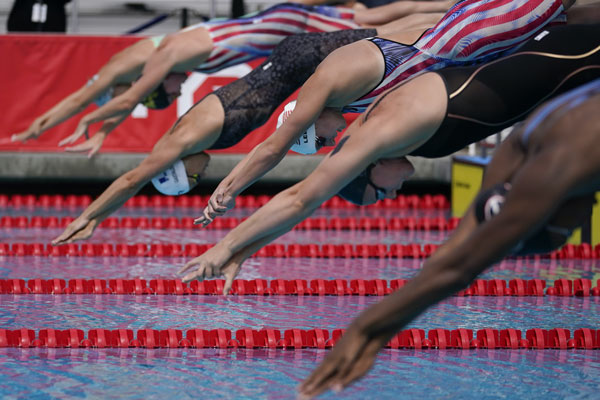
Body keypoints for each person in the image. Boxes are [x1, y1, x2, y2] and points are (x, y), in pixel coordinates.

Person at [175, 22, 600, 295]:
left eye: (383, 192)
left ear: (370, 168)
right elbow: (306, 199)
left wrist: (226, 235)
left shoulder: (375, 125)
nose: (396, 193)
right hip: (531, 55)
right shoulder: (373, 116)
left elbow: (300, 193)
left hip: (509, 32)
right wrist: (244, 252)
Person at [298, 78, 600, 398]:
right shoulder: (531, 144)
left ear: (546, 213)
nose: (587, 213)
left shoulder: (550, 160)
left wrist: (364, 331)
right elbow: (456, 253)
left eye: (567, 232)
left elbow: (462, 267)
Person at [49, 17, 438, 245]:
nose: (203, 173)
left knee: (403, 29)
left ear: (181, 167)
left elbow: (133, 179)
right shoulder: (204, 138)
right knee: (399, 28)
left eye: (194, 177)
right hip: (292, 65)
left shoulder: (184, 138)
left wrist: (92, 216)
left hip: (294, 61)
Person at [196, 0, 572, 226]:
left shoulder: (331, 76)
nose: (333, 141)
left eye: (323, 139)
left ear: (307, 122)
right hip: (471, 42)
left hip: (471, 34)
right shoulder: (356, 102)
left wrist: (228, 188)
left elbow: (272, 148)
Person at [7, 2, 363, 153]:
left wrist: (83, 122)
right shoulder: (151, 64)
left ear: (156, 83)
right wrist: (100, 131)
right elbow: (127, 100)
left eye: (171, 92)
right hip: (270, 27)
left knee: (367, 25)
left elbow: (98, 100)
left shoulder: (152, 61)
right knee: (367, 17)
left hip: (277, 25)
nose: (180, 90)